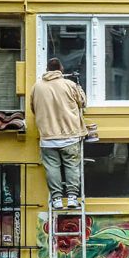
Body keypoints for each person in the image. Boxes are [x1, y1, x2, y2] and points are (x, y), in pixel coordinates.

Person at [30, 58, 87, 210]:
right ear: (61, 69)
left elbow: (33, 108)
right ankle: (73, 198)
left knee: (52, 168)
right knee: (72, 166)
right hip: (70, 135)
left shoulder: (37, 87)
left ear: (47, 69)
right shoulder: (69, 85)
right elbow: (83, 102)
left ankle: (56, 199)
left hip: (47, 137)